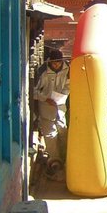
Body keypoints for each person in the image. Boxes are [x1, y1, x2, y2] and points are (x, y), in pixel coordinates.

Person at [34, 49, 70, 177]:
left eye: (58, 63)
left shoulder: (68, 69)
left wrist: (64, 95)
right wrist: (45, 98)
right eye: (54, 63)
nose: (56, 66)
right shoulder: (42, 72)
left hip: (60, 106)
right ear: (50, 61)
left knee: (62, 131)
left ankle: (66, 158)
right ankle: (56, 162)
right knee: (50, 135)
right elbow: (33, 91)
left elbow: (68, 86)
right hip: (46, 107)